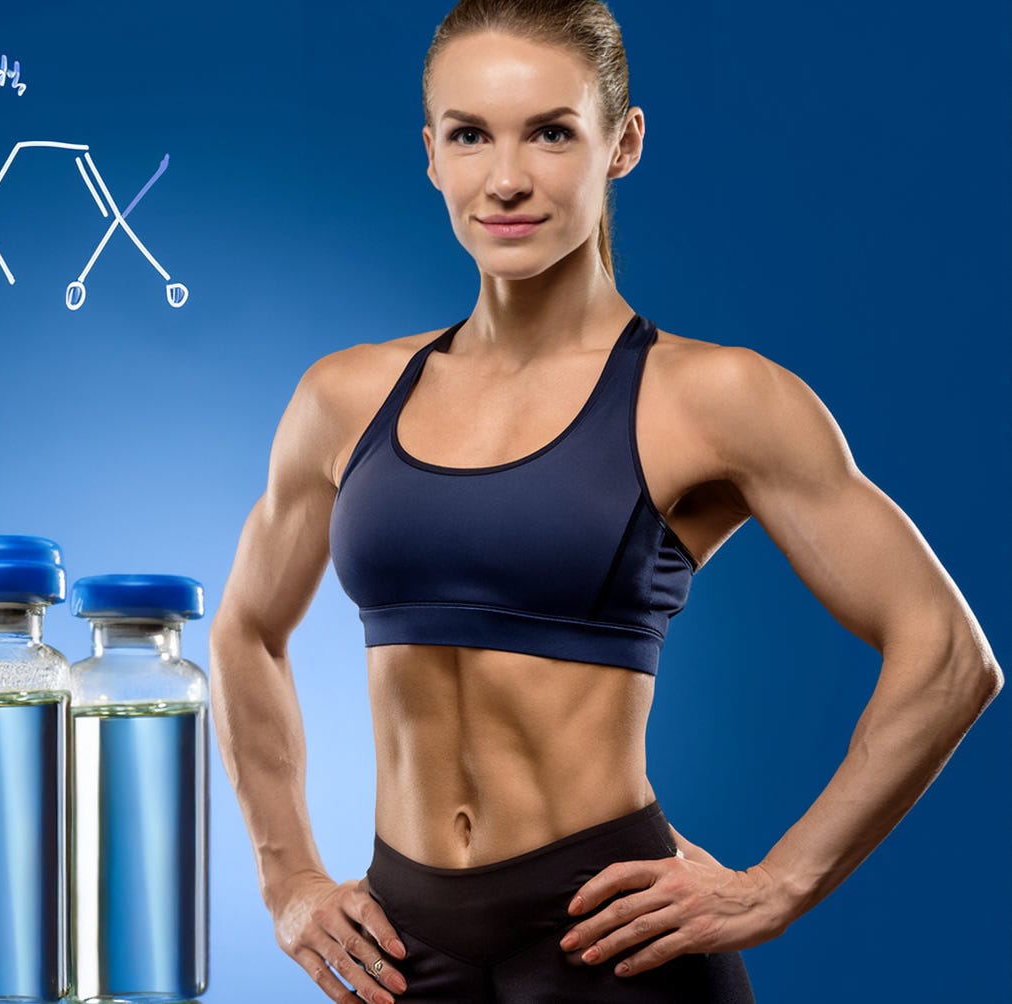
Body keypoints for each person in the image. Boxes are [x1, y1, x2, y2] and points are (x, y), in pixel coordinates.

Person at [208, 1, 1003, 1001]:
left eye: (550, 132)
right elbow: (246, 630)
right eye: (470, 135)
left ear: (621, 143)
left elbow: (947, 656)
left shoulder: (712, 397)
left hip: (612, 943)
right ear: (431, 154)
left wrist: (779, 885)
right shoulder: (344, 397)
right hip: (401, 951)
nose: (505, 179)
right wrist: (287, 876)